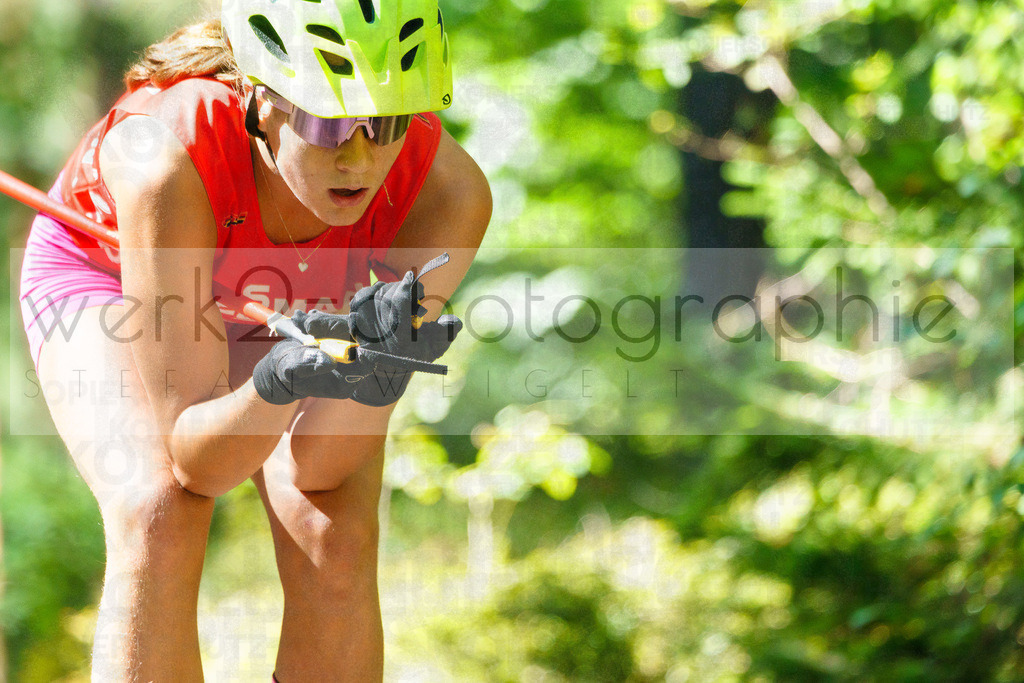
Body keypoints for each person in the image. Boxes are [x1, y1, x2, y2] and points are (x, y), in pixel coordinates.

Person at [17, 0, 491, 679]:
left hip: (292, 286)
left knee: (338, 529)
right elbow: (201, 464)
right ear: (263, 98)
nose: (358, 158)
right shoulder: (161, 156)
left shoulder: (449, 198)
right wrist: (283, 380)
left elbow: (322, 466)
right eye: (328, 122)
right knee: (157, 506)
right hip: (112, 271)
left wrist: (374, 367)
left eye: (385, 123)